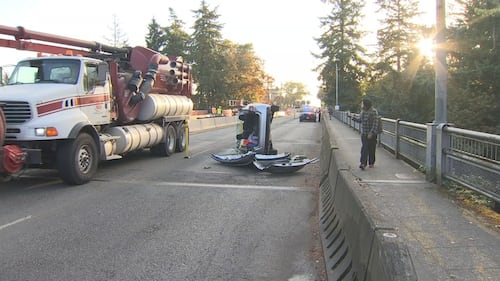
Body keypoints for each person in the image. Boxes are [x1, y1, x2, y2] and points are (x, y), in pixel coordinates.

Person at [353, 98, 379, 170]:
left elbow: (375, 124)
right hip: (364, 133)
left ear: (366, 104)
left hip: (372, 134)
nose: (361, 105)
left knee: (371, 149)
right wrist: (353, 118)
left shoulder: (373, 112)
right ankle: (363, 163)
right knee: (364, 148)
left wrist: (371, 133)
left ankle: (371, 162)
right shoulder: (363, 112)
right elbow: (360, 120)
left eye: (362, 103)